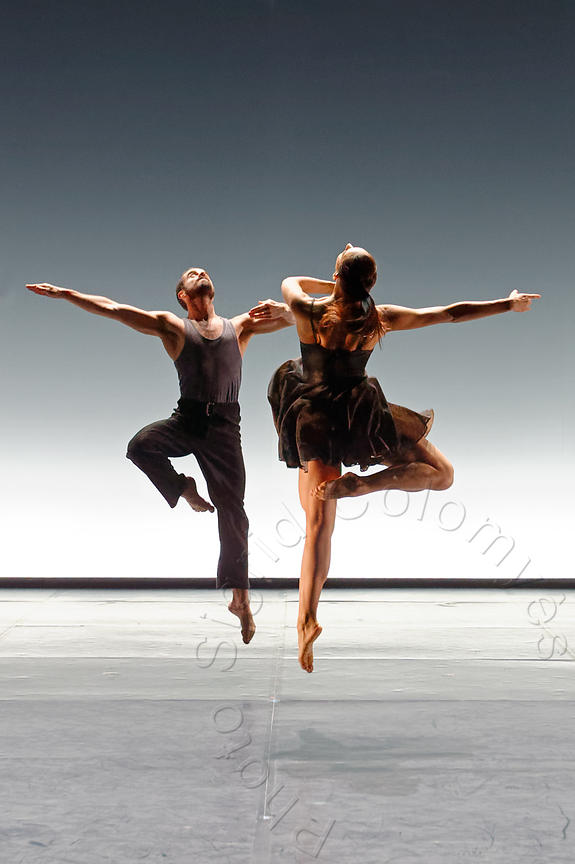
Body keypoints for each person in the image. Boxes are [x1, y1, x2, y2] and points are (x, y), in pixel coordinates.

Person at [264, 243, 540, 672]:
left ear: (337, 276)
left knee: (317, 525)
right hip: (358, 415)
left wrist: (330, 284)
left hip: (314, 417)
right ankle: (365, 485)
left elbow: (291, 282)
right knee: (442, 473)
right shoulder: (380, 318)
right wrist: (508, 303)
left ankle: (307, 620)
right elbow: (450, 313)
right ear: (370, 284)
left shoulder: (307, 309)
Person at [27, 269, 294, 642]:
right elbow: (114, 309)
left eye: (203, 271)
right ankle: (183, 488)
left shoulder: (240, 327)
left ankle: (240, 600)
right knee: (140, 446)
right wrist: (67, 293)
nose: (199, 272)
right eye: (191, 275)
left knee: (233, 511)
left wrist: (287, 308)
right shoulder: (173, 327)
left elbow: (302, 319)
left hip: (223, 428)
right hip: (187, 419)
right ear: (183, 296)